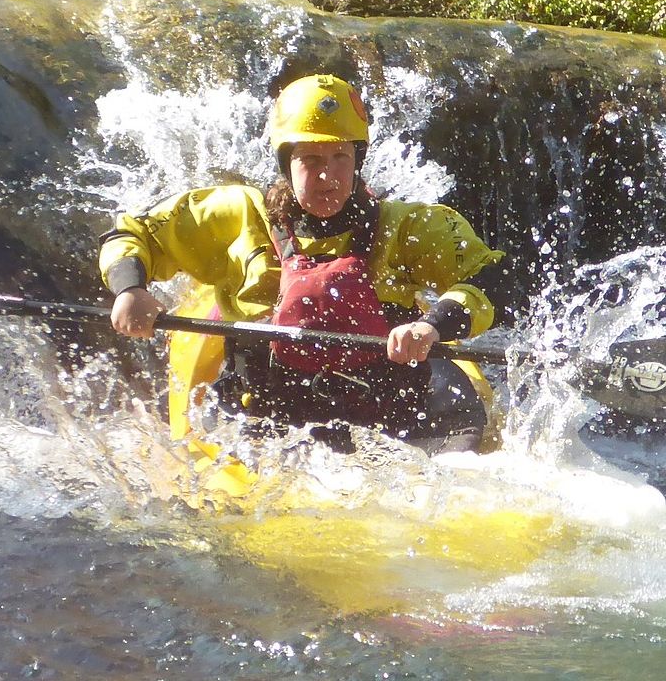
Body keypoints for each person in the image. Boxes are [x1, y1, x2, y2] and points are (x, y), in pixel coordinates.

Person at [98, 74, 512, 449]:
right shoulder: (237, 216)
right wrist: (130, 289)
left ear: (358, 160)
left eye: (339, 158)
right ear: (285, 162)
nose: (327, 176)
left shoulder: (409, 226)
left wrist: (431, 325)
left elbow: (491, 276)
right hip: (270, 420)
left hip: (388, 418)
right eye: (310, 160)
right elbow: (133, 233)